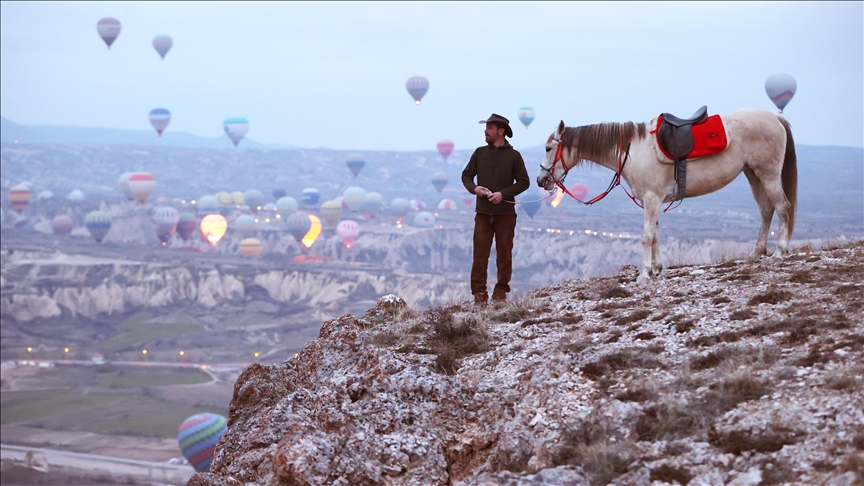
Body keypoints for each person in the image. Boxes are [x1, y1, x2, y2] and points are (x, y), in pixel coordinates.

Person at [462, 114, 530, 306]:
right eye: (486, 127)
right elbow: (466, 175)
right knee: (480, 256)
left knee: (504, 254)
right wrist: (474, 189)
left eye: (490, 128)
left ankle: (500, 293)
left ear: (501, 131)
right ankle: (479, 295)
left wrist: (503, 194)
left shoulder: (514, 156)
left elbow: (524, 182)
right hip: (482, 213)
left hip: (505, 214)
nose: (486, 131)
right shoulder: (479, 153)